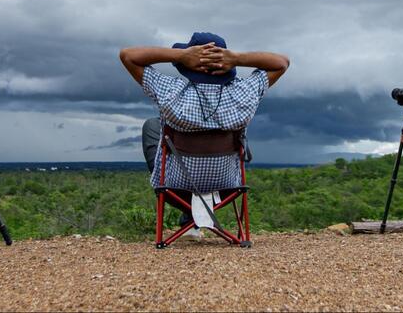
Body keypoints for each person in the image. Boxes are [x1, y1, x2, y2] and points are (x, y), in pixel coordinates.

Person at [119, 32, 289, 228]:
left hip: (174, 190)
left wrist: (180, 55)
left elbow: (127, 55)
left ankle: (188, 214)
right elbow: (282, 62)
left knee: (152, 125)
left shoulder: (170, 91)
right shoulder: (245, 93)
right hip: (227, 190)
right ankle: (193, 219)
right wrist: (236, 58)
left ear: (189, 65)